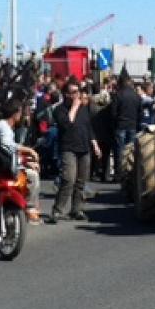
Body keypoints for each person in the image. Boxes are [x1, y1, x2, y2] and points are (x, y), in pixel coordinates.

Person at [0, 90, 43, 224]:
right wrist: (29, 151)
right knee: (33, 176)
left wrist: (25, 161)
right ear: (16, 113)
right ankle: (30, 207)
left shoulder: (3, 126)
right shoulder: (4, 128)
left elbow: (8, 151)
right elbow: (8, 147)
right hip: (2, 167)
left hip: (5, 163)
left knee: (31, 169)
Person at [49, 80, 100, 223]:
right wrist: (74, 108)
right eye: (73, 92)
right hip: (68, 148)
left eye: (77, 92)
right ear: (66, 94)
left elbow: (88, 127)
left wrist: (94, 143)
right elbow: (66, 124)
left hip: (84, 148)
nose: (76, 95)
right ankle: (57, 210)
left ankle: (76, 209)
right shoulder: (60, 110)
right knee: (68, 179)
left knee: (81, 181)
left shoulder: (84, 109)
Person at [110, 75, 140, 181]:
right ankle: (129, 173)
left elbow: (113, 113)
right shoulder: (136, 96)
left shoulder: (118, 95)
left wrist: (115, 123)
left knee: (119, 151)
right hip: (132, 125)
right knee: (131, 151)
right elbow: (139, 111)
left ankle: (119, 174)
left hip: (120, 125)